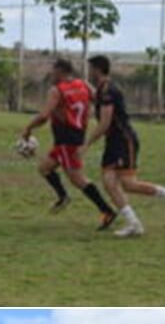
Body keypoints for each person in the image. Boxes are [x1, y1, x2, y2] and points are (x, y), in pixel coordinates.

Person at [83, 55, 165, 237]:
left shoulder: (108, 90)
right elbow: (95, 100)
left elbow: (105, 123)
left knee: (129, 184)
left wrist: (86, 144)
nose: (89, 72)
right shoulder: (102, 89)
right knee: (109, 182)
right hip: (113, 142)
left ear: (98, 69)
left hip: (123, 141)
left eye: (90, 68)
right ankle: (134, 224)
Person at [19, 58, 118, 225]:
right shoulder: (83, 84)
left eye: (53, 70)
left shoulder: (57, 90)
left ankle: (106, 210)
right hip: (75, 135)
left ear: (60, 71)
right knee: (44, 168)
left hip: (66, 139)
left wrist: (28, 129)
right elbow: (99, 100)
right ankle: (63, 197)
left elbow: (44, 116)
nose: (51, 74)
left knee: (78, 179)